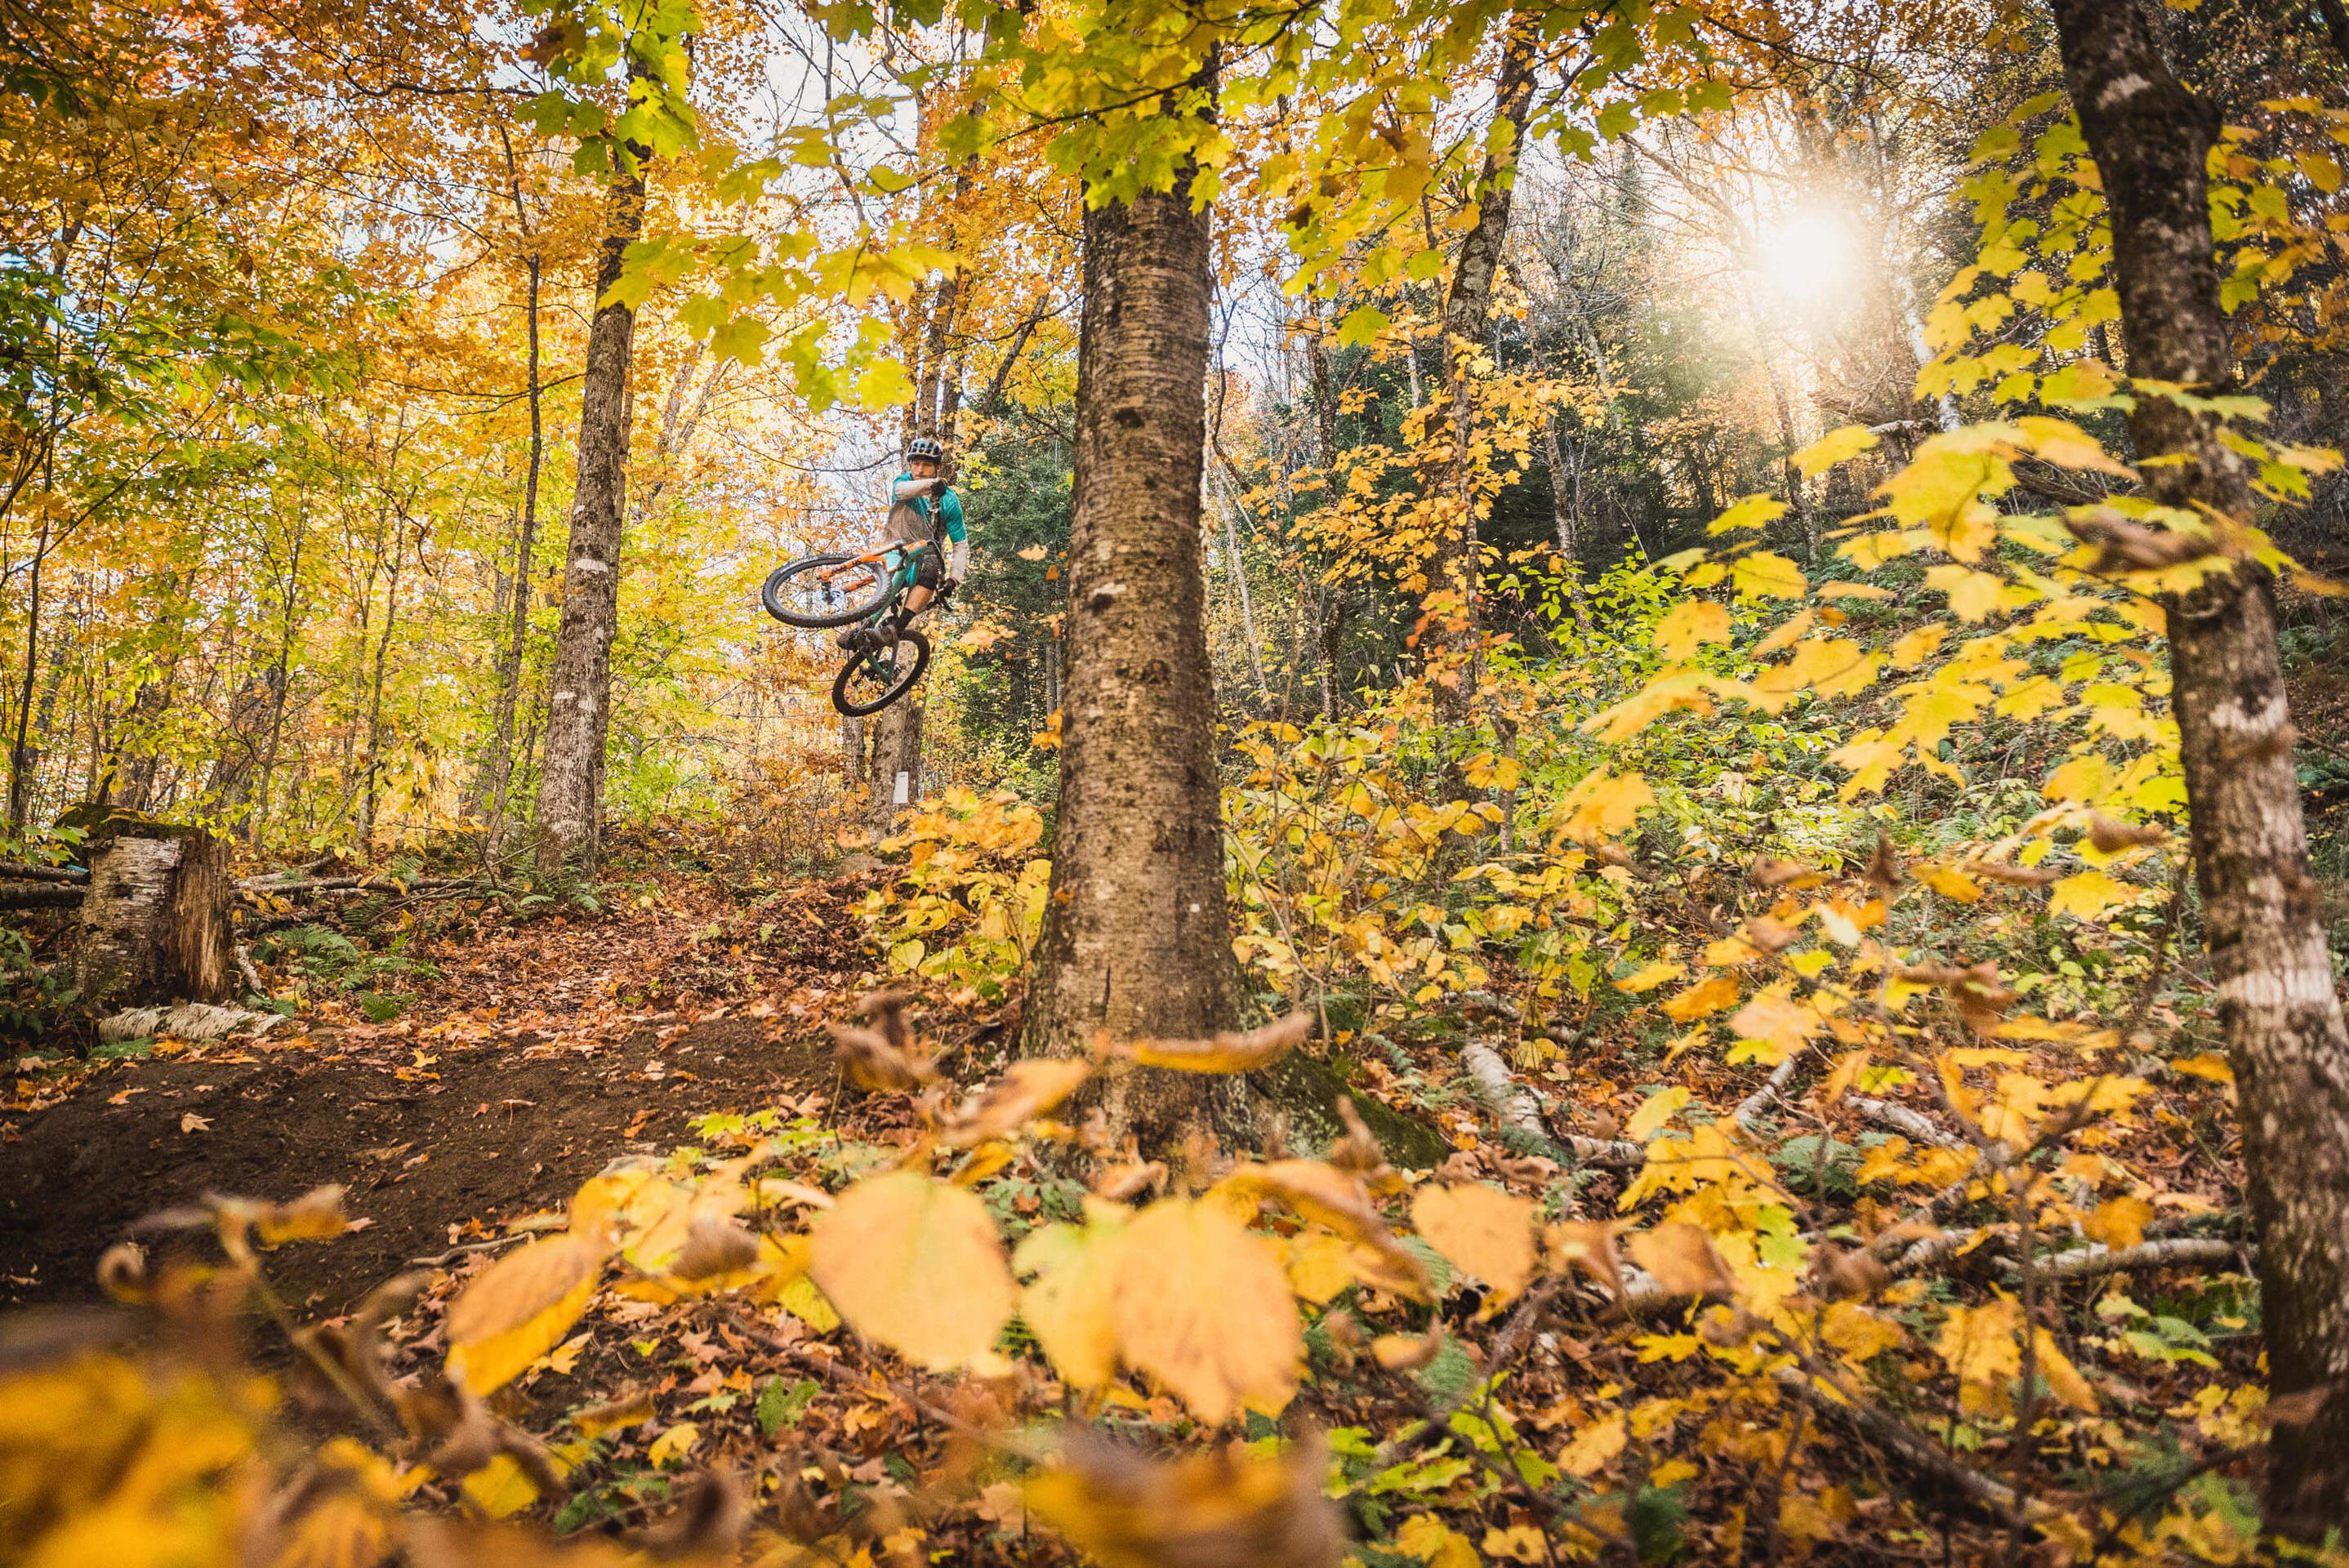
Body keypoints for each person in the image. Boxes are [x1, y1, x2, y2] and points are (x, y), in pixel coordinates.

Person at [838, 435, 967, 652]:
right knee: (888, 582)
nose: (920, 470)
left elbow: (960, 544)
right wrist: (933, 485)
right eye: (916, 464)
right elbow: (901, 492)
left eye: (926, 465)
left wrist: (954, 579)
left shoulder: (950, 500)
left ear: (937, 467)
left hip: (927, 555)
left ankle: (896, 629)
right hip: (897, 547)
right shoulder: (903, 482)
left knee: (932, 570)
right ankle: (862, 628)